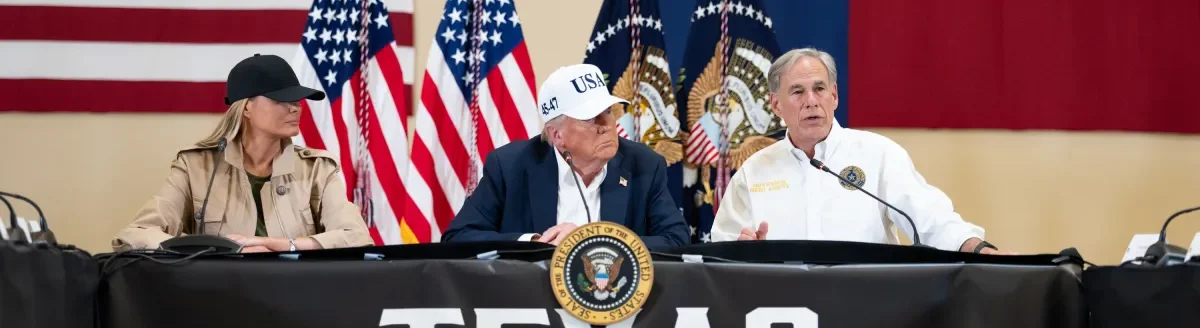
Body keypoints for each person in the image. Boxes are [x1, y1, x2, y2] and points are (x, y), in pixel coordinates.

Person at [710, 48, 1013, 254]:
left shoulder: (878, 154)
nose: (811, 101)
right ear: (776, 104)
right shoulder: (754, 171)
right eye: (798, 92)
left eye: (819, 89)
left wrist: (976, 248)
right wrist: (743, 250)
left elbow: (930, 218)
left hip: (869, 305)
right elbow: (722, 248)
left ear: (835, 95)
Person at [112, 54, 374, 252]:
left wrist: (273, 244)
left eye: (296, 100)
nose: (295, 108)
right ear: (246, 108)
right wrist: (217, 252)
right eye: (281, 100)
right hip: (221, 298)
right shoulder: (196, 167)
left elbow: (357, 238)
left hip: (298, 297)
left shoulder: (318, 168)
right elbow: (136, 234)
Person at [441, 64, 690, 250]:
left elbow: (677, 241)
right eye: (591, 118)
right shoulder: (510, 166)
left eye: (608, 112)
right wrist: (537, 243)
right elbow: (459, 237)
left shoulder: (643, 164)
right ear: (557, 135)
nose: (607, 125)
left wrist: (593, 239)